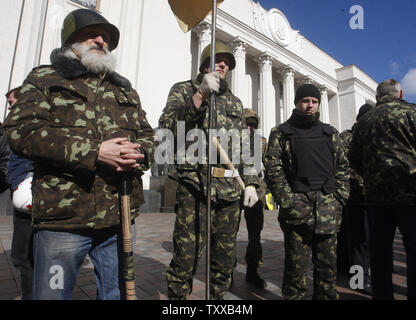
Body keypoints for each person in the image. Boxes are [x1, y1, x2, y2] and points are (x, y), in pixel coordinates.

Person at [3, 8, 156, 300]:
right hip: (64, 219)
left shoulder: (124, 90)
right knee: (53, 294)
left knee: (115, 295)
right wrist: (94, 152)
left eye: (107, 38)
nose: (101, 41)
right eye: (92, 34)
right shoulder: (45, 79)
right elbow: (21, 130)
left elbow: (148, 136)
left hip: (119, 216)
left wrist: (138, 153)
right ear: (70, 41)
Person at [159, 41, 261, 300]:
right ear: (205, 63)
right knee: (186, 257)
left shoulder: (235, 103)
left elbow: (245, 148)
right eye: (219, 59)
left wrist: (251, 183)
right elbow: (168, 128)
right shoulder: (184, 90)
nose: (224, 64)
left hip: (228, 192)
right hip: (195, 186)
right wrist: (199, 96)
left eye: (228, 62)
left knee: (224, 260)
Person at [264, 83, 350, 300]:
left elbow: (342, 168)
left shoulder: (330, 133)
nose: (310, 105)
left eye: (314, 101)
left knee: (327, 272)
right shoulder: (280, 133)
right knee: (295, 272)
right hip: (297, 213)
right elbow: (274, 169)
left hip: (328, 211)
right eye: (305, 101)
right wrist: (289, 201)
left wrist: (339, 198)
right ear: (296, 103)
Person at [350, 79, 416, 300]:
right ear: (400, 93)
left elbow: (354, 160)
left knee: (380, 258)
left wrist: (371, 176)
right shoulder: (412, 113)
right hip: (411, 197)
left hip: (377, 200)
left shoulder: (363, 123)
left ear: (377, 97)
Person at [337, 103, 373, 295]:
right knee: (359, 240)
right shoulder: (348, 138)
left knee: (351, 237)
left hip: (360, 195)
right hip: (355, 194)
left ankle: (343, 269)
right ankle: (359, 280)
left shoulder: (358, 136)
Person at [5, 87, 35, 300]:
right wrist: (18, 187)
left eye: (12, 102)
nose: (9, 107)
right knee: (23, 259)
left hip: (37, 200)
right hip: (23, 200)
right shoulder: (13, 127)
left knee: (34, 258)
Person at [241, 108, 267, 288]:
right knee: (225, 236)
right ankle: (226, 272)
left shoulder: (262, 142)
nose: (249, 129)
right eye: (246, 125)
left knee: (255, 236)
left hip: (256, 193)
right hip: (232, 191)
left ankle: (252, 271)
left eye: (253, 125)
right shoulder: (232, 141)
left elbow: (270, 165)